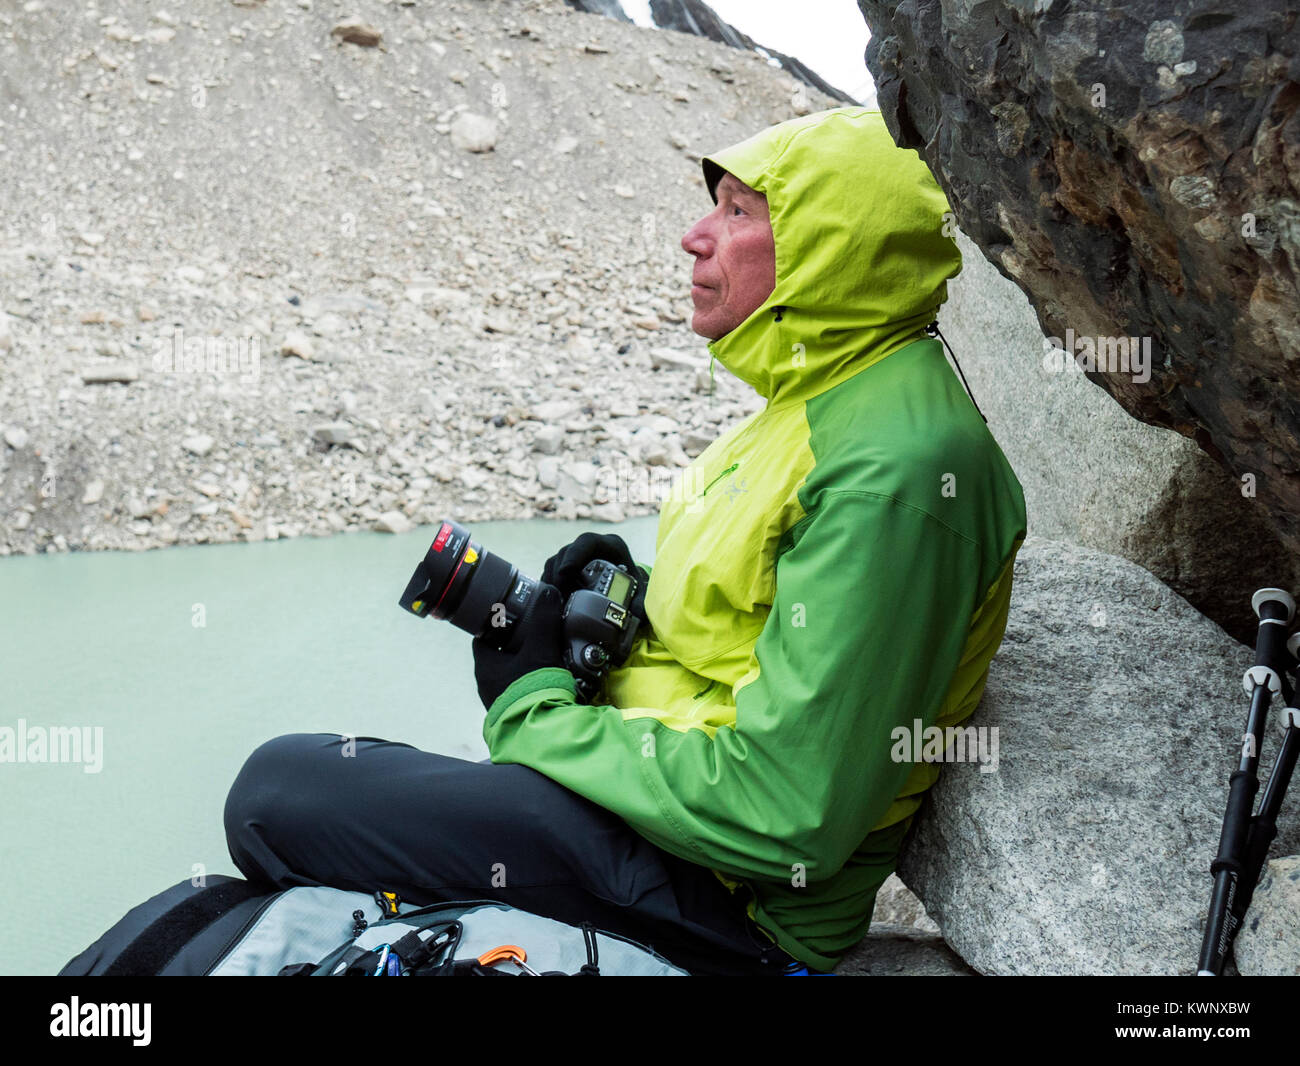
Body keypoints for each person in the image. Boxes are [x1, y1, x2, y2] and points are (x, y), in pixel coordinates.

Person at [224, 106, 1027, 976]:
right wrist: (625, 596)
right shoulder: (813, 406)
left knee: (277, 794)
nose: (695, 237)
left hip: (730, 898)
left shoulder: (898, 470)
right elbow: (745, 630)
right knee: (314, 787)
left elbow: (785, 808)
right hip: (659, 826)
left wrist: (536, 709)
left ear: (833, 242)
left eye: (737, 212)